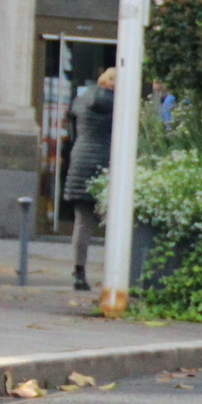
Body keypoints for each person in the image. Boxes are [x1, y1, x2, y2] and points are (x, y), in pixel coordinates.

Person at [64, 68, 115, 290]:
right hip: (107, 162)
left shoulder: (81, 100)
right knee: (113, 223)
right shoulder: (120, 103)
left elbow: (72, 132)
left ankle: (78, 272)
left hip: (81, 159)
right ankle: (114, 273)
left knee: (82, 223)